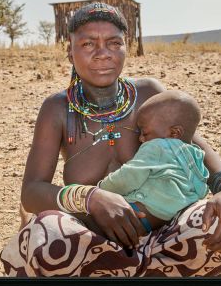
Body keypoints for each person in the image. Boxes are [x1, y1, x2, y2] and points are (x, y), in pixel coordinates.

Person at [0, 1, 221, 278]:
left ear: (126, 47)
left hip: (163, 232)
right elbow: (32, 191)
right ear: (70, 51)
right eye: (88, 44)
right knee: (47, 234)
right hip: (89, 237)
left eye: (114, 42)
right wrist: (91, 197)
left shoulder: (148, 92)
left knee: (215, 222)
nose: (102, 54)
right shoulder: (57, 109)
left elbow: (194, 145)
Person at [79, 89, 208, 233]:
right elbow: (202, 189)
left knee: (80, 219)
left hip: (139, 214)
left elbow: (129, 176)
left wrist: (101, 189)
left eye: (145, 132)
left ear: (174, 133)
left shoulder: (157, 146)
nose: (140, 138)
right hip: (168, 220)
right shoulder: (196, 155)